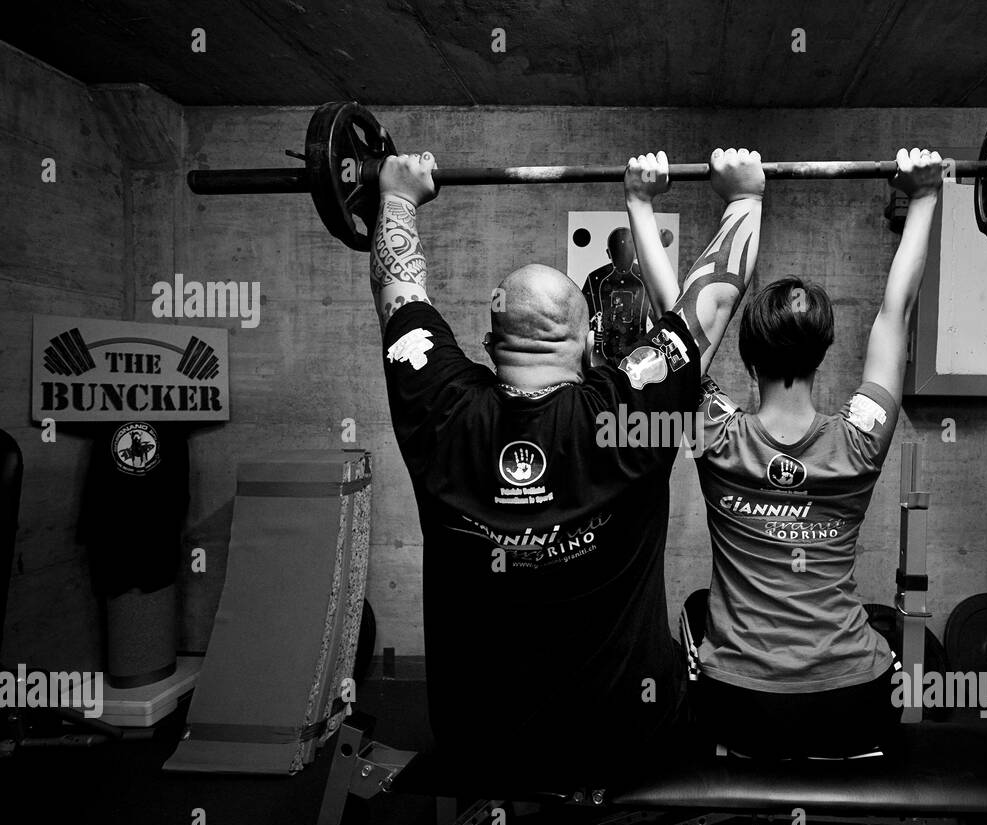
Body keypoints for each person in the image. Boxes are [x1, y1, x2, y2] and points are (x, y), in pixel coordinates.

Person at [369, 147, 763, 789]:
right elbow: (711, 304)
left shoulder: (438, 406)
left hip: (479, 745)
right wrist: (745, 197)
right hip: (625, 739)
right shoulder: (630, 410)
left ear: (492, 340)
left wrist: (396, 197)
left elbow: (399, 291)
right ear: (586, 343)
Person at [627, 147, 944, 759]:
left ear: (747, 359)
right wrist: (926, 197)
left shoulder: (716, 432)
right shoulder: (861, 437)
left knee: (695, 617)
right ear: (822, 353)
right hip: (855, 701)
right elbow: (894, 313)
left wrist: (639, 203)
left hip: (741, 707)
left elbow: (679, 325)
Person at [581, 227, 654, 363]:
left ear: (608, 253)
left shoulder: (596, 278)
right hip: (607, 352)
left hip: (635, 352)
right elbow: (583, 317)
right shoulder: (595, 279)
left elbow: (582, 318)